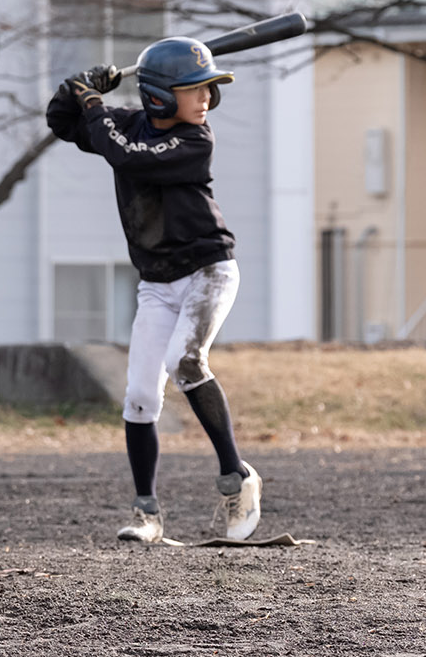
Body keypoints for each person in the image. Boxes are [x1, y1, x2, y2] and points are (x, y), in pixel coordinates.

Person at [45, 38, 264, 544]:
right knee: (141, 395)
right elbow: (63, 123)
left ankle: (238, 477)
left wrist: (96, 105)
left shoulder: (195, 140)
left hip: (209, 271)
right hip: (158, 283)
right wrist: (77, 89)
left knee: (186, 363)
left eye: (209, 87)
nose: (206, 96)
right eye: (194, 88)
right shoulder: (123, 125)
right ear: (161, 95)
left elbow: (129, 158)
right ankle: (147, 514)